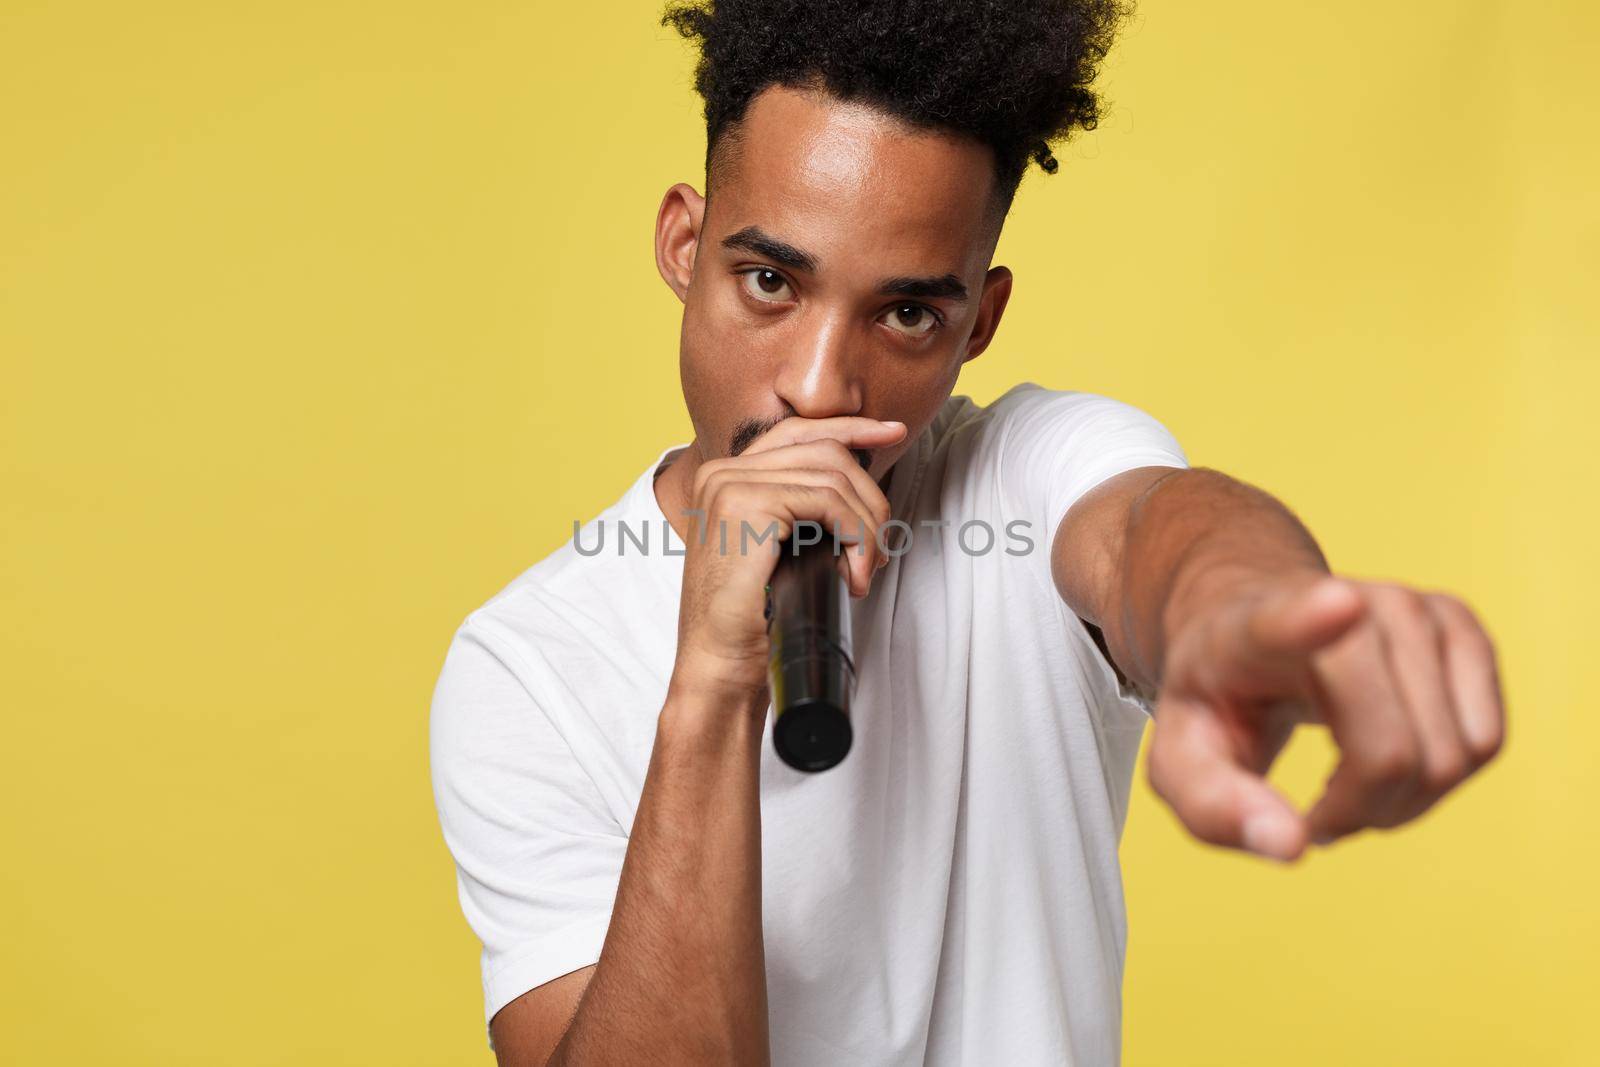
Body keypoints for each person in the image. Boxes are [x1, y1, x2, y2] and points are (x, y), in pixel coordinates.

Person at [428, 1, 1506, 1063]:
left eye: (905, 315)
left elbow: (1151, 532)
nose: (817, 388)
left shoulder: (1021, 471)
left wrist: (1243, 610)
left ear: (975, 324)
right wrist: (711, 680)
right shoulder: (525, 665)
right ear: (681, 241)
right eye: (770, 282)